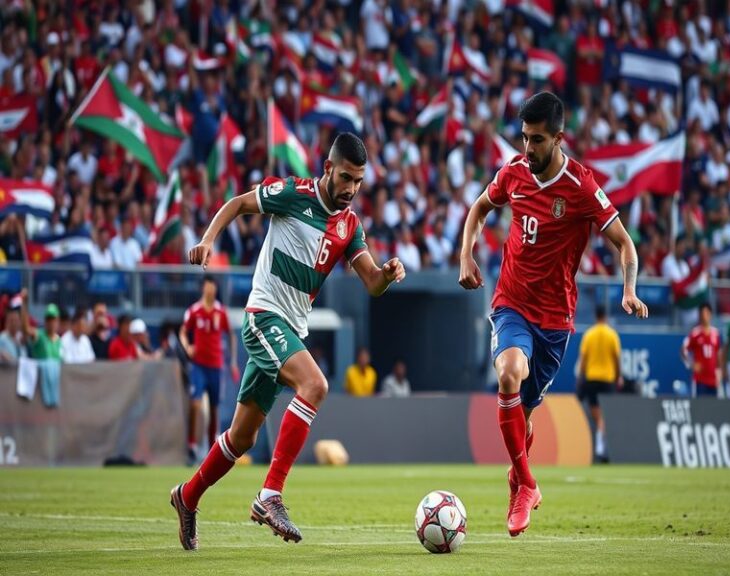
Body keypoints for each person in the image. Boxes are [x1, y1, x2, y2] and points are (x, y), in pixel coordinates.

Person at [170, 132, 406, 550]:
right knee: (315, 385)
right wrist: (208, 239)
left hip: (291, 330)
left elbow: (371, 282)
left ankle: (186, 498)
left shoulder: (350, 225)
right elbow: (238, 203)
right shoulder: (293, 193)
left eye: (359, 181)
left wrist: (387, 275)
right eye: (346, 177)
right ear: (329, 168)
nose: (351, 188)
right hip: (263, 316)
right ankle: (270, 495)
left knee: (241, 438)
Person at [459, 92, 648, 538]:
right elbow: (479, 208)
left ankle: (516, 477)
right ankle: (526, 484)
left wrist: (629, 288)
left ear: (559, 138)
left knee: (522, 419)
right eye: (524, 138)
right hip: (511, 304)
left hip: (555, 323)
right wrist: (466, 255)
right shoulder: (513, 173)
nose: (528, 149)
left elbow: (625, 244)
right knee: (508, 373)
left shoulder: (581, 187)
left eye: (538, 140)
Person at [179, 275, 238, 464]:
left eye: (213, 287)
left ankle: (212, 448)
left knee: (214, 408)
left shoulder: (221, 312)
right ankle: (192, 445)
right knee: (195, 403)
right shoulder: (194, 311)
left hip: (216, 366)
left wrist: (233, 362)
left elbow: (231, 335)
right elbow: (182, 331)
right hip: (198, 365)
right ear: (203, 289)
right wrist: (187, 345)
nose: (210, 290)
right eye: (207, 286)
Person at [576, 305, 622, 463]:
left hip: (592, 378)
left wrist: (581, 377)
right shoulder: (612, 335)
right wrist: (619, 376)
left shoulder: (589, 334)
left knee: (597, 414)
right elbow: (617, 359)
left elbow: (583, 359)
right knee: (603, 416)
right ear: (606, 316)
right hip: (607, 379)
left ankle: (601, 445)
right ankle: (601, 447)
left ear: (596, 316)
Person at [19, 291, 63, 408]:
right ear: (45, 320)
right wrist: (24, 304)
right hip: (38, 391)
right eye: (48, 319)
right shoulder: (39, 335)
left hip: (57, 392)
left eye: (53, 319)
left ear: (58, 321)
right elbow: (26, 329)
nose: (51, 322)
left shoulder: (60, 341)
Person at [680, 302, 721, 398]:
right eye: (702, 314)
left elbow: (718, 354)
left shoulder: (716, 333)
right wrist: (691, 364)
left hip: (713, 378)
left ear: (710, 314)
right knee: (699, 408)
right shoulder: (695, 333)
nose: (704, 317)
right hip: (700, 379)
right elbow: (683, 350)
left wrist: (719, 371)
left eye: (707, 313)